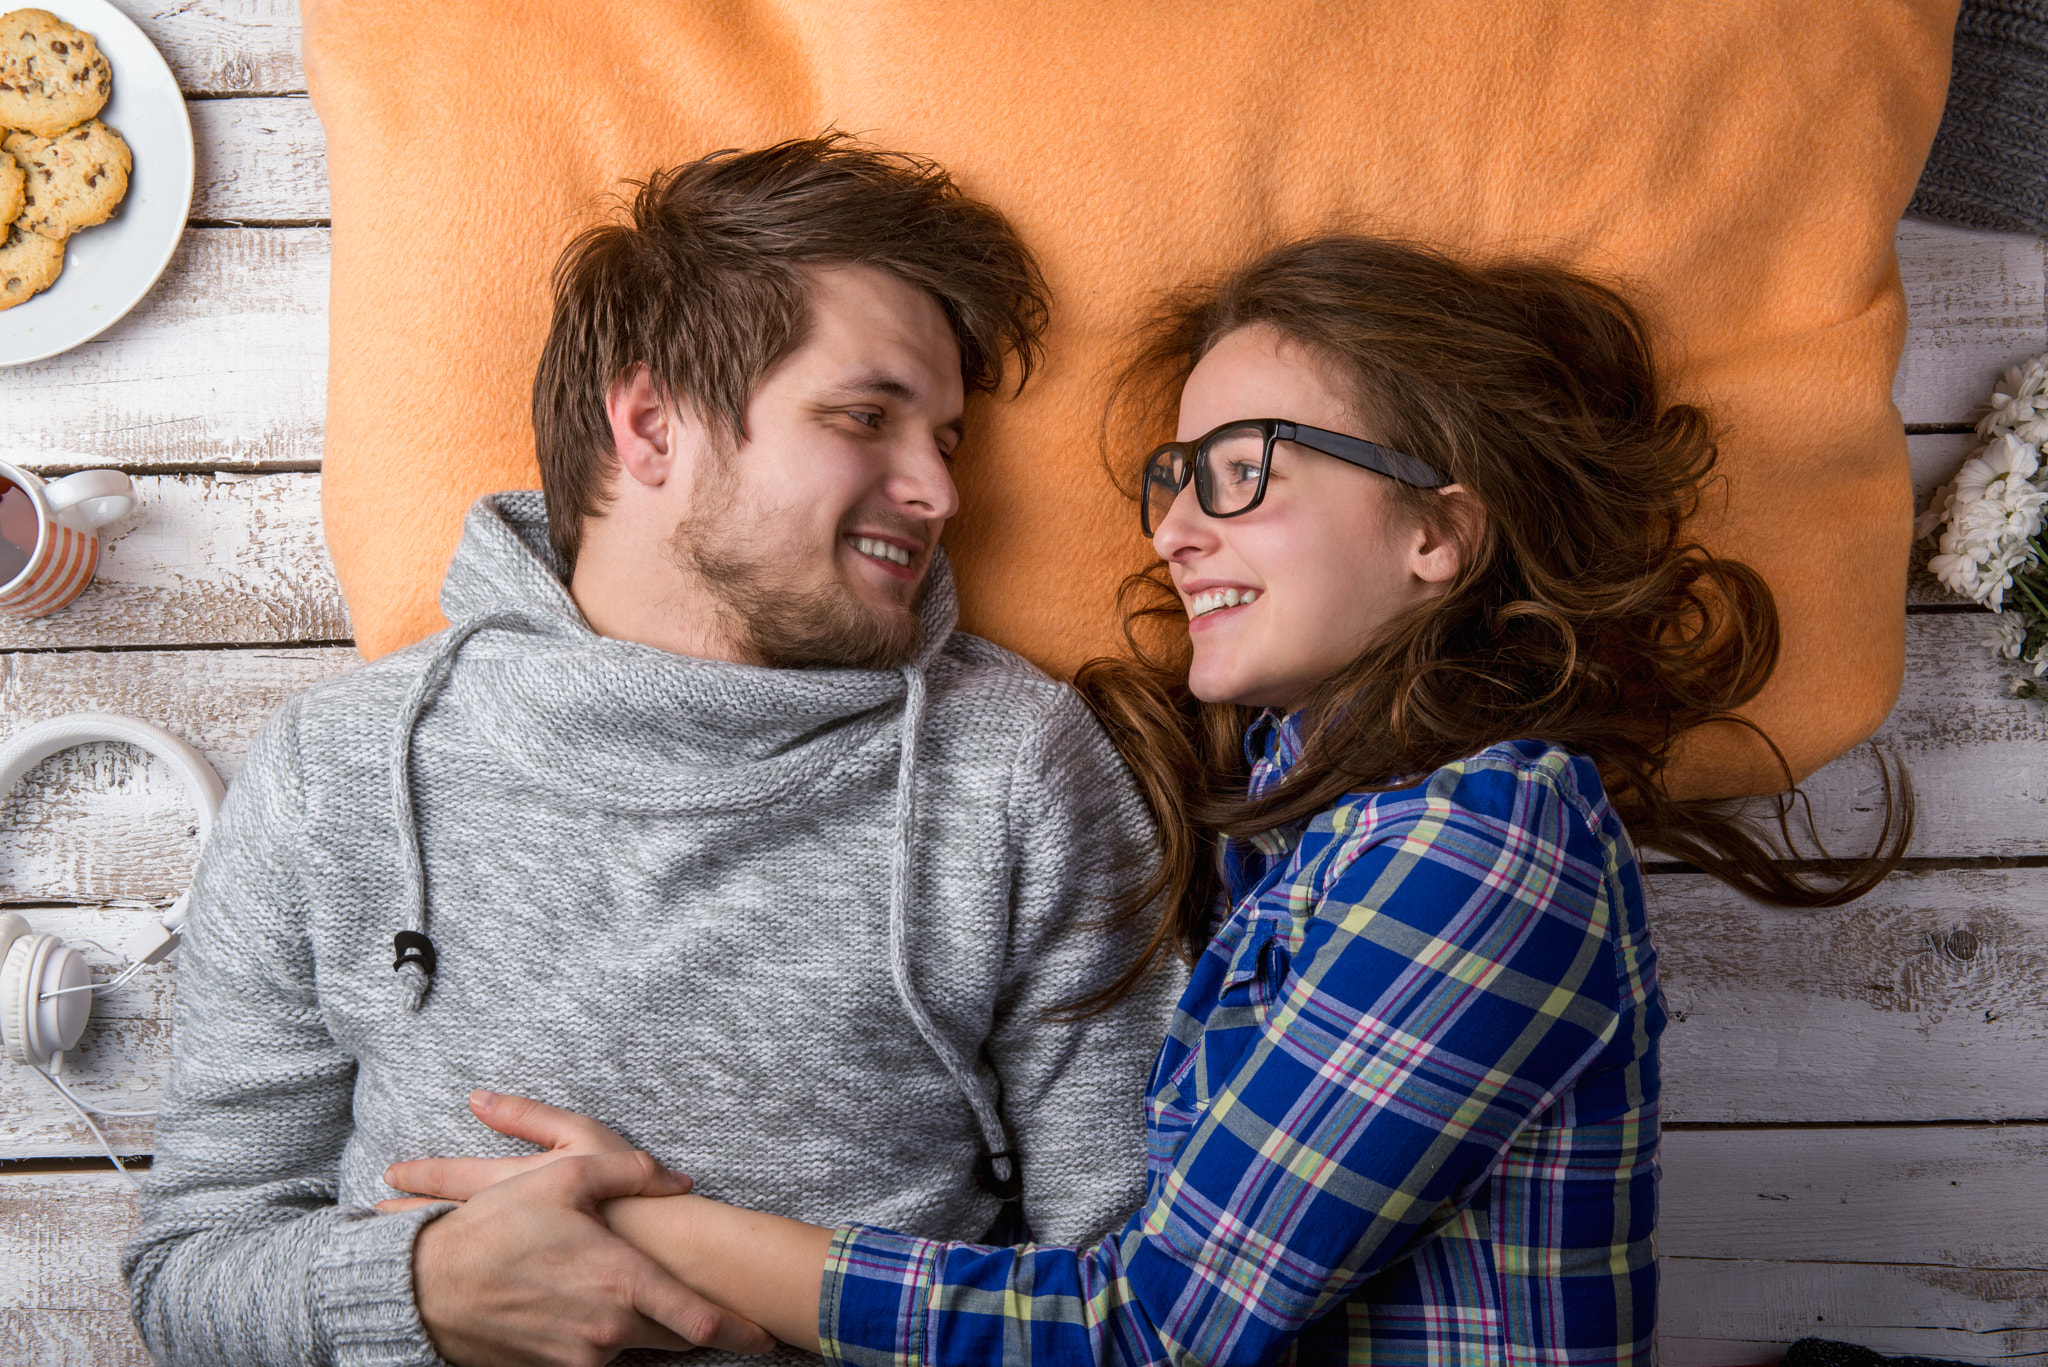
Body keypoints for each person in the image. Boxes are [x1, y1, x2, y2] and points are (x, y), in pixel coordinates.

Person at [384, 234, 1912, 1365]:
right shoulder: (1302, 826)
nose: (1177, 526)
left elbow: (1152, 1323)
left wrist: (642, 1225)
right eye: (1173, 475)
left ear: (1438, 531)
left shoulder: (1492, 840)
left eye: (1242, 469)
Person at [121, 136, 1182, 1367]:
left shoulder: (1013, 769)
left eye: (943, 438)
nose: (939, 490)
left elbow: (1139, 1289)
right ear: (649, 423)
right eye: (865, 417)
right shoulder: (337, 768)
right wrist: (419, 1286)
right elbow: (189, 1275)